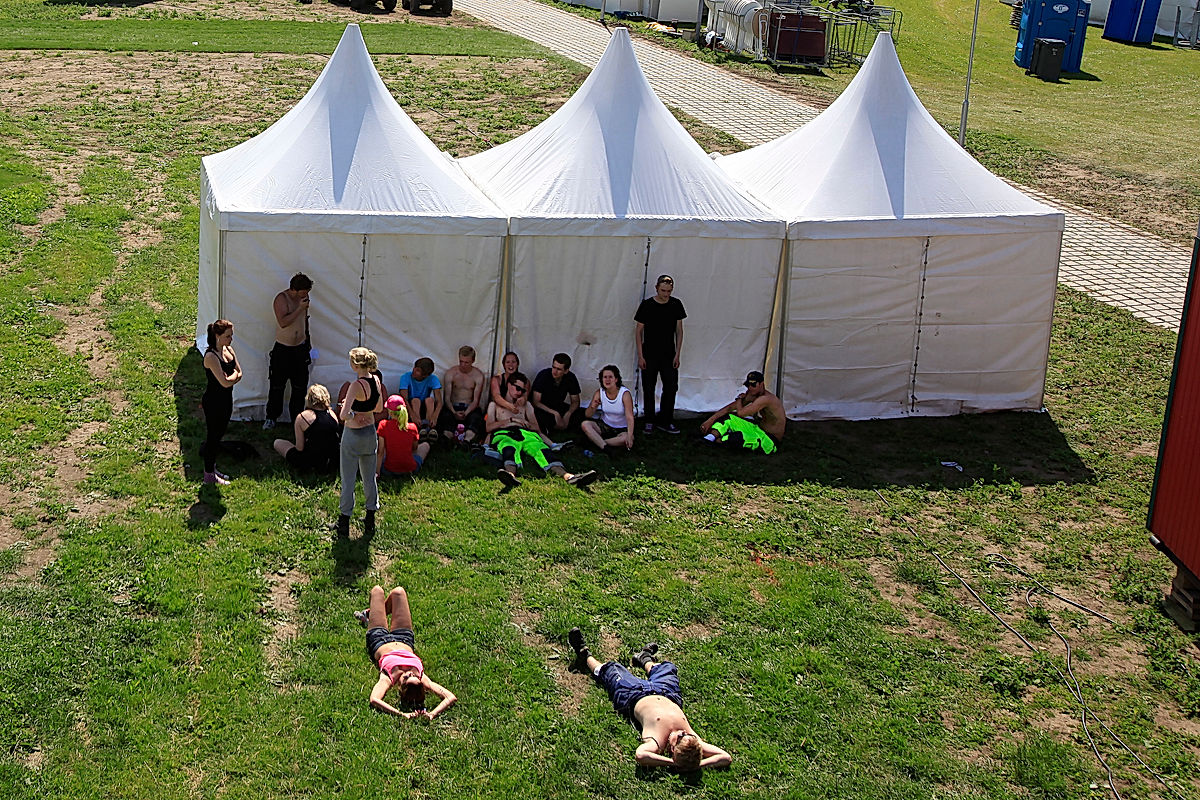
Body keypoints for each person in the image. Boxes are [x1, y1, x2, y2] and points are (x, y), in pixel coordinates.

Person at [567, 628, 732, 772]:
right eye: (686, 735)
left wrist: (672, 763)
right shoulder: (693, 742)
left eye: (680, 739)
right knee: (667, 669)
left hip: (634, 695)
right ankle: (644, 658)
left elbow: (641, 755)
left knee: (612, 670)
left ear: (672, 750)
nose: (683, 733)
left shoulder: (657, 742)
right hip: (668, 693)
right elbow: (725, 757)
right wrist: (697, 765)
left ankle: (584, 655)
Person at [356, 585, 457, 720]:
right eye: (413, 675)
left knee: (377, 591)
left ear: (400, 687)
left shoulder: (388, 678)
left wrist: (402, 715)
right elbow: (451, 697)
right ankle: (372, 614)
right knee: (398, 592)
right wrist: (432, 714)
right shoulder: (423, 678)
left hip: (378, 639)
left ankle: (372, 615)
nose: (409, 673)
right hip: (404, 638)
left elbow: (374, 699)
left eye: (406, 678)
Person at [485, 372, 597, 490]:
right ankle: (510, 476)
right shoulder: (494, 405)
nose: (519, 393)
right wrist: (511, 420)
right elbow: (489, 428)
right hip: (506, 433)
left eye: (522, 391)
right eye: (517, 388)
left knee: (543, 451)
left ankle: (569, 476)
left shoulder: (526, 405)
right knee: (509, 449)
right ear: (508, 385)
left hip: (527, 434)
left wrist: (527, 423)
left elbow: (536, 428)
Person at [335, 347, 384, 538]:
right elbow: (378, 407)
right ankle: (371, 515)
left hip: (353, 435)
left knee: (348, 478)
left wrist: (354, 413)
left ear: (355, 364)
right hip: (370, 433)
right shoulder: (377, 380)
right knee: (369, 476)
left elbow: (343, 415)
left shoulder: (355, 386)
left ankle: (344, 520)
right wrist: (364, 413)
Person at [634, 274, 686, 435]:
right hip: (649, 353)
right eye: (663, 290)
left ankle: (666, 420)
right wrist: (641, 356)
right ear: (657, 288)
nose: (666, 294)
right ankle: (649, 420)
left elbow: (679, 330)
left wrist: (677, 354)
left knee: (671, 387)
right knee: (648, 388)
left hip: (668, 354)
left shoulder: (676, 304)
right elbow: (638, 331)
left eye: (669, 291)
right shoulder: (647, 305)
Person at [264, 272, 314, 430]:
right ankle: (271, 417)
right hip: (283, 349)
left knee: (299, 387)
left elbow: (304, 319)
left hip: (300, 348)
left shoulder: (303, 300)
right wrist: (300, 308)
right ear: (295, 289)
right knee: (277, 386)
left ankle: (297, 419)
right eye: (304, 292)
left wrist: (307, 339)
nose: (306, 295)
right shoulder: (282, 299)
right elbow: (283, 322)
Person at [699, 371, 785, 454]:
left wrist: (739, 398)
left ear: (761, 384)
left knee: (739, 438)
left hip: (769, 440)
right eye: (748, 385)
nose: (750, 388)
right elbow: (730, 408)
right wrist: (709, 421)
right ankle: (710, 438)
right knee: (729, 418)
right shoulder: (753, 394)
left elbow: (741, 413)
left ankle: (720, 440)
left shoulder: (766, 399)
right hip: (758, 429)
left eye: (753, 385)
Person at [201, 319, 242, 485]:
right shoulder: (211, 356)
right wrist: (233, 378)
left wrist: (231, 378)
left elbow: (239, 372)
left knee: (219, 435)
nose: (231, 339)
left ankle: (213, 467)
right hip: (213, 402)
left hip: (226, 400)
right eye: (227, 336)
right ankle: (208, 475)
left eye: (231, 335)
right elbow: (224, 382)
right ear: (217, 336)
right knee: (213, 437)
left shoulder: (228, 350)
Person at [273, 383, 340, 474]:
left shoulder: (303, 417)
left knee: (278, 443)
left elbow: (299, 448)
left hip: (310, 461)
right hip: (332, 460)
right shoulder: (333, 414)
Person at [436, 346, 486, 446]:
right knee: (446, 418)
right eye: (461, 361)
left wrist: (466, 413)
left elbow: (476, 400)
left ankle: (467, 441)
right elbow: (447, 398)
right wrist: (454, 412)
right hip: (453, 406)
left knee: (476, 419)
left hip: (470, 407)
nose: (463, 365)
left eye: (466, 362)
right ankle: (446, 439)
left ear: (473, 361)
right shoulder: (451, 373)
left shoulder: (478, 375)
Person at [581, 364, 635, 454]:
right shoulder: (600, 392)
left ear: (616, 379)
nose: (607, 380)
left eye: (610, 377)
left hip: (621, 428)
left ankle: (598, 442)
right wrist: (593, 407)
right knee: (585, 424)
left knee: (626, 438)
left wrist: (629, 436)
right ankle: (607, 447)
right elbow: (587, 415)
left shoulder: (624, 394)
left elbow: (630, 417)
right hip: (605, 425)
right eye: (605, 377)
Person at [531, 352, 584, 435]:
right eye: (554, 367)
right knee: (539, 415)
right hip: (544, 408)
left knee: (580, 413)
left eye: (559, 369)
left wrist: (568, 414)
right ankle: (552, 428)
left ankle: (563, 427)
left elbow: (575, 401)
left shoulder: (570, 377)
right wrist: (555, 413)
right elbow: (536, 402)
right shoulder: (543, 375)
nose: (554, 371)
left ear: (566, 371)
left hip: (559, 406)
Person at [378, 395, 431, 477]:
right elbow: (414, 448)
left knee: (383, 447)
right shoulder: (412, 427)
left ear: (390, 412)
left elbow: (380, 452)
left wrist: (377, 472)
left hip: (388, 470)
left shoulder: (383, 425)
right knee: (425, 445)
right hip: (410, 470)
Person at [398, 357, 443, 442]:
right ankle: (418, 428)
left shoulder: (433, 379)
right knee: (415, 400)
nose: (414, 371)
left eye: (418, 371)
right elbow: (404, 399)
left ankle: (429, 427)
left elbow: (439, 401)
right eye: (415, 368)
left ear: (425, 375)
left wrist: (435, 416)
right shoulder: (406, 377)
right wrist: (412, 415)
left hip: (426, 407)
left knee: (430, 400)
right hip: (412, 406)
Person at [489, 351, 521, 416]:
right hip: (500, 411)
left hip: (517, 411)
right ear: (503, 365)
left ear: (517, 364)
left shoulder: (525, 381)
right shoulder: (496, 379)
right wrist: (509, 406)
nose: (510, 365)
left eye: (513, 362)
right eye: (508, 362)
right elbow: (496, 396)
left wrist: (519, 403)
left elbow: (525, 396)